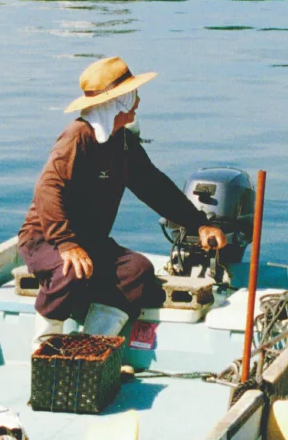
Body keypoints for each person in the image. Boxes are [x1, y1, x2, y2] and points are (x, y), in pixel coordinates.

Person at [20, 56, 228, 339]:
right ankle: (44, 344)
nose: (138, 101)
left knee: (136, 270)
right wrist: (67, 243)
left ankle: (93, 344)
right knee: (73, 271)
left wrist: (198, 223)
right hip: (46, 239)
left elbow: (155, 187)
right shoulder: (77, 137)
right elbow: (48, 189)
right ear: (115, 102)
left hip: (88, 242)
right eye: (132, 95)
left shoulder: (123, 143)